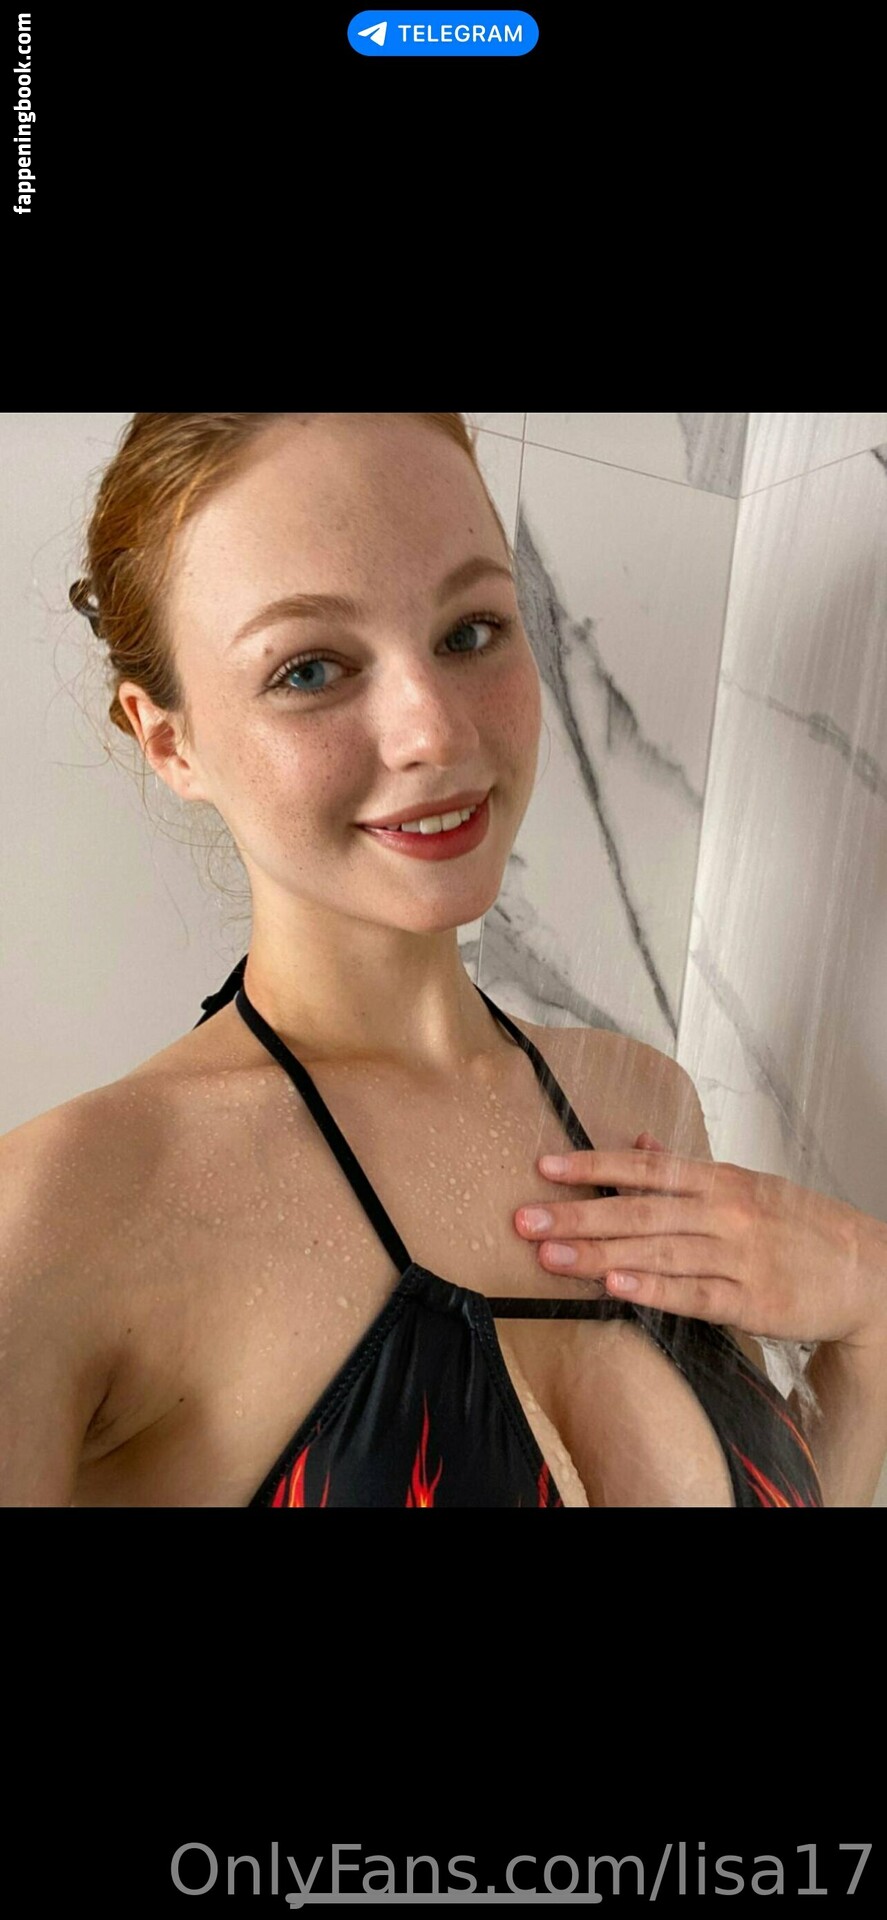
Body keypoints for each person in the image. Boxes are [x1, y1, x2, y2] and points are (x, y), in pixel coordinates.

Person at [1, 411, 861, 1506]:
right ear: (171, 742)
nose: (435, 733)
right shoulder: (66, 1214)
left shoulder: (643, 1107)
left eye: (468, 631)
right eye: (310, 668)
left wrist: (871, 1315)